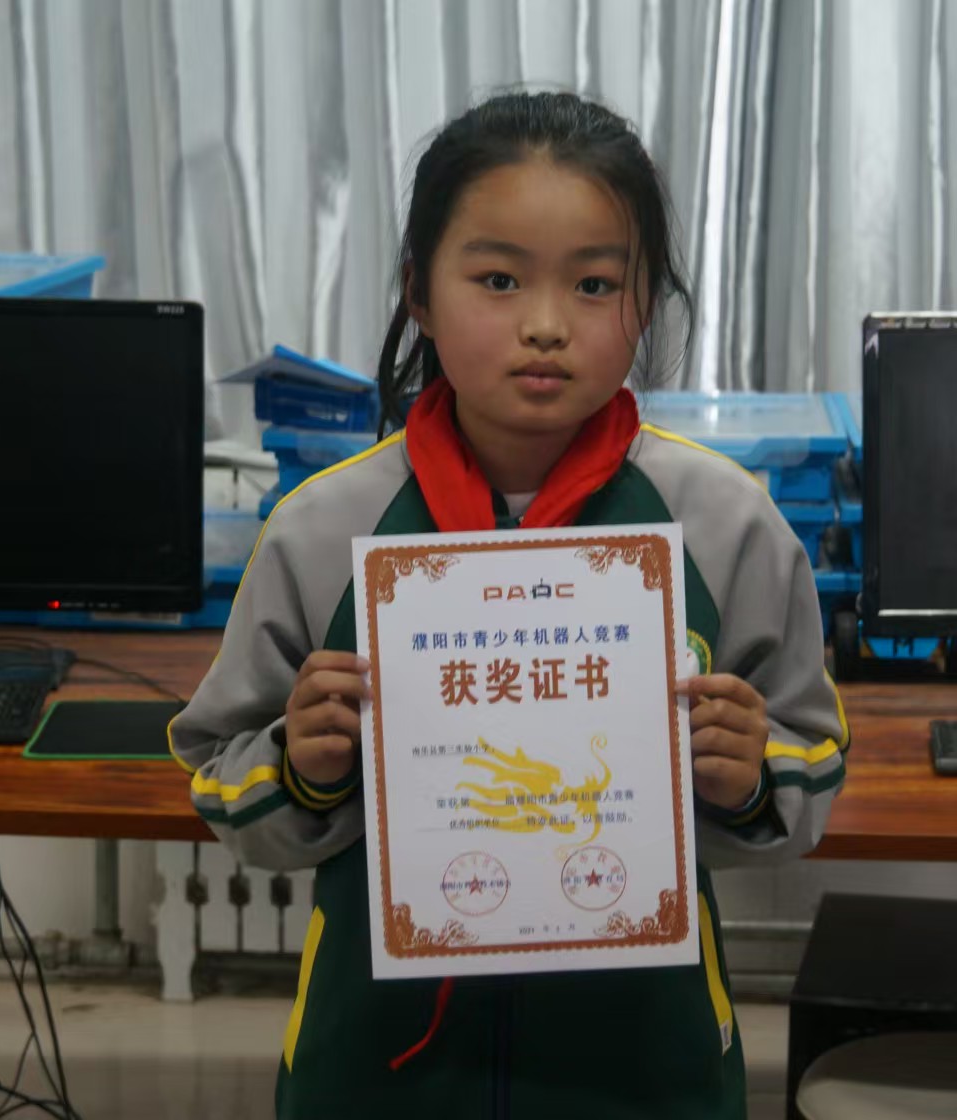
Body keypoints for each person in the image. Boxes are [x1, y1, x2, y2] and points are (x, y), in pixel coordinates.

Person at [169, 90, 849, 1120]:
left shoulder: (725, 524)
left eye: (594, 284)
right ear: (419, 291)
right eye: (498, 279)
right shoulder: (321, 530)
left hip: (644, 1072)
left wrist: (754, 775)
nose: (545, 325)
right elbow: (218, 776)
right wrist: (300, 768)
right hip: (379, 1075)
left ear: (644, 303)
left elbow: (816, 756)